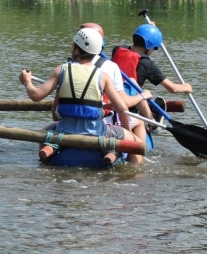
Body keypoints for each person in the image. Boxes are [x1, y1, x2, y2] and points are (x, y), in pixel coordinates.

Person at [20, 28, 145, 166]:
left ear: (77, 51)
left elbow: (36, 95)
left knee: (44, 131)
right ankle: (132, 174)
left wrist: (27, 81)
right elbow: (122, 108)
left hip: (64, 130)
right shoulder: (103, 76)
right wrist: (127, 130)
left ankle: (46, 160)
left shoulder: (61, 70)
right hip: (98, 133)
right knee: (136, 143)